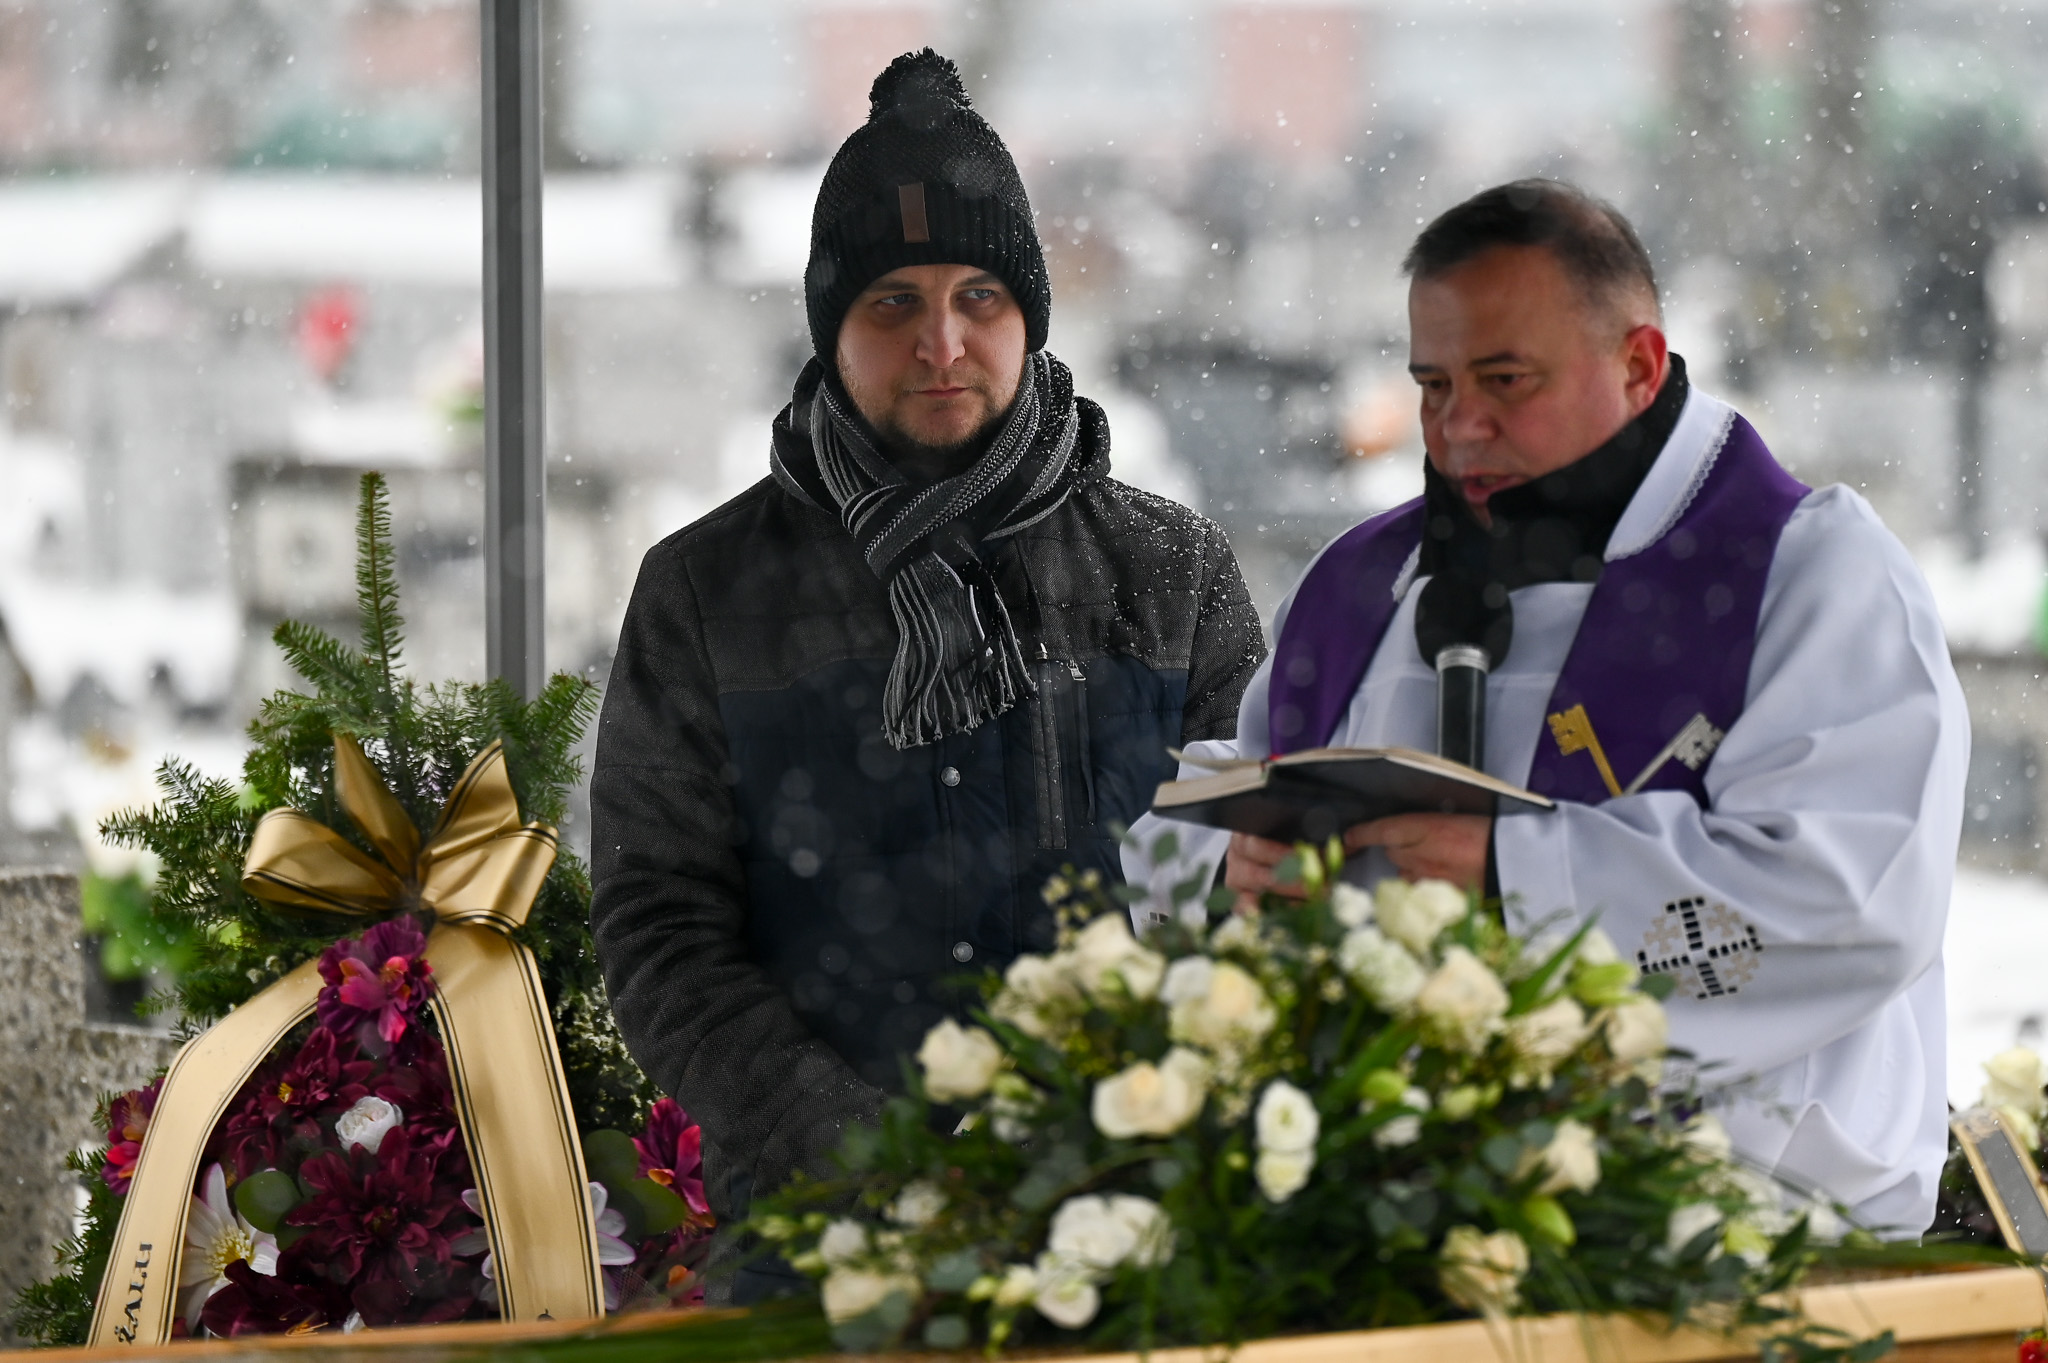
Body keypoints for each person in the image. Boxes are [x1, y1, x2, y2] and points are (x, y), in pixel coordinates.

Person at [1171, 180, 1967, 1233]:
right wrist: (1228, 868)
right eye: (1432, 384)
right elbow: (1229, 794)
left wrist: (1516, 876)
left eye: (1505, 380)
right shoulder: (1359, 586)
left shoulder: (1809, 574)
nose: (1458, 426)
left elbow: (1853, 896)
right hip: (1383, 1210)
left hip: (1749, 1227)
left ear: (1637, 365)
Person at [589, 49, 1265, 1235]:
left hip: (1138, 1222)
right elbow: (661, 926)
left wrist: (1119, 1132)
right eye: (892, 302)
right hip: (817, 1234)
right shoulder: (707, 590)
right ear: (830, 330)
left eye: (979, 298)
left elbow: (1250, 880)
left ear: (1028, 317)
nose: (940, 343)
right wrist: (873, 1159)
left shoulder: (1169, 573)